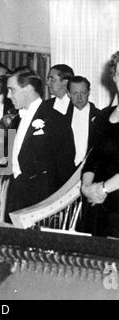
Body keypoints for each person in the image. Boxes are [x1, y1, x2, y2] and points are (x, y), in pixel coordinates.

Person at [4, 70, 75, 222]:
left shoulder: (55, 120)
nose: (8, 95)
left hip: (42, 201)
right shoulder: (16, 121)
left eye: (12, 90)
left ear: (29, 89)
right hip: (16, 196)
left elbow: (65, 167)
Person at [80, 51, 119, 237]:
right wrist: (86, 188)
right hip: (96, 204)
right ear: (114, 77)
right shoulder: (103, 116)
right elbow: (92, 158)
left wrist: (102, 189)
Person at [66, 76, 100, 167]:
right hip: (68, 174)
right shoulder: (61, 118)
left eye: (83, 93)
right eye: (75, 93)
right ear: (68, 94)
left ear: (88, 92)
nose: (79, 97)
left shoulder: (101, 117)